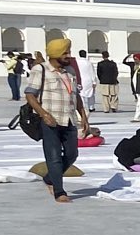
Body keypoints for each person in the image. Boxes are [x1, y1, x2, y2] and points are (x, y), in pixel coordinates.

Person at [25, 36, 91, 202]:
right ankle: (59, 192)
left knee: (72, 154)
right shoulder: (40, 70)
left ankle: (50, 178)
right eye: (65, 53)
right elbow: (30, 95)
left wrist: (83, 116)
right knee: (53, 157)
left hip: (69, 119)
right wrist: (44, 114)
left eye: (68, 52)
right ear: (54, 54)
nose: (68, 56)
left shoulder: (70, 71)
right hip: (50, 120)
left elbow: (75, 95)